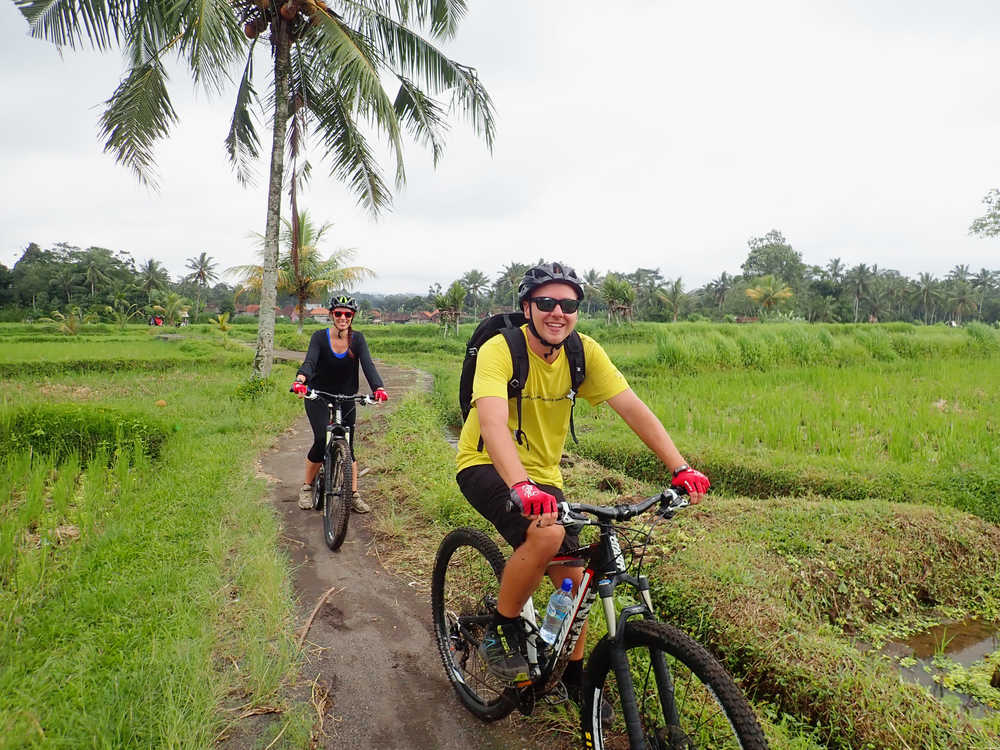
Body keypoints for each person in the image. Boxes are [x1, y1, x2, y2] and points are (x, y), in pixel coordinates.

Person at [454, 261, 710, 708]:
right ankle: (501, 628)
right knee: (549, 533)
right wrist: (521, 486)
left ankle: (573, 677)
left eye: (569, 304)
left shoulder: (583, 352)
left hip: (544, 478)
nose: (558, 312)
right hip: (486, 464)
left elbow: (632, 407)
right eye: (547, 302)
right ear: (527, 307)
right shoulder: (501, 349)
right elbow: (493, 423)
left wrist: (680, 467)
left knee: (575, 581)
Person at [293, 293, 389, 513]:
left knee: (349, 446)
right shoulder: (319, 337)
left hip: (346, 397)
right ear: (331, 315)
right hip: (318, 395)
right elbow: (309, 362)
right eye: (338, 313)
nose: (343, 317)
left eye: (347, 314)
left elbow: (368, 365)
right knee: (320, 438)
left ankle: (353, 494)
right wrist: (300, 380)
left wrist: (378, 388)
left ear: (352, 316)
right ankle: (307, 488)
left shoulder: (358, 340)